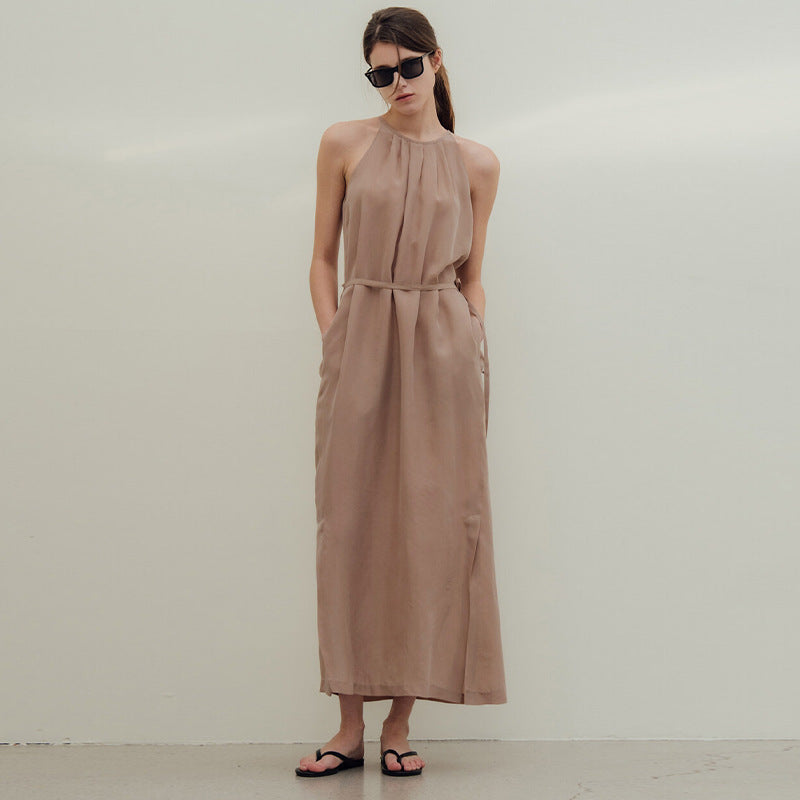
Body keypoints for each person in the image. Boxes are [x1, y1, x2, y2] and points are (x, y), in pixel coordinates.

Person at [297, 7, 507, 778]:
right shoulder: (344, 143)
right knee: (349, 527)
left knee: (433, 530)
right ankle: (347, 725)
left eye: (408, 67)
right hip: (361, 346)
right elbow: (322, 258)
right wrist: (337, 339)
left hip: (444, 355)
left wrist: (469, 339)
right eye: (381, 73)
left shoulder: (478, 163)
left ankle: (399, 724)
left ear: (436, 60)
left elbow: (473, 274)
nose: (397, 84)